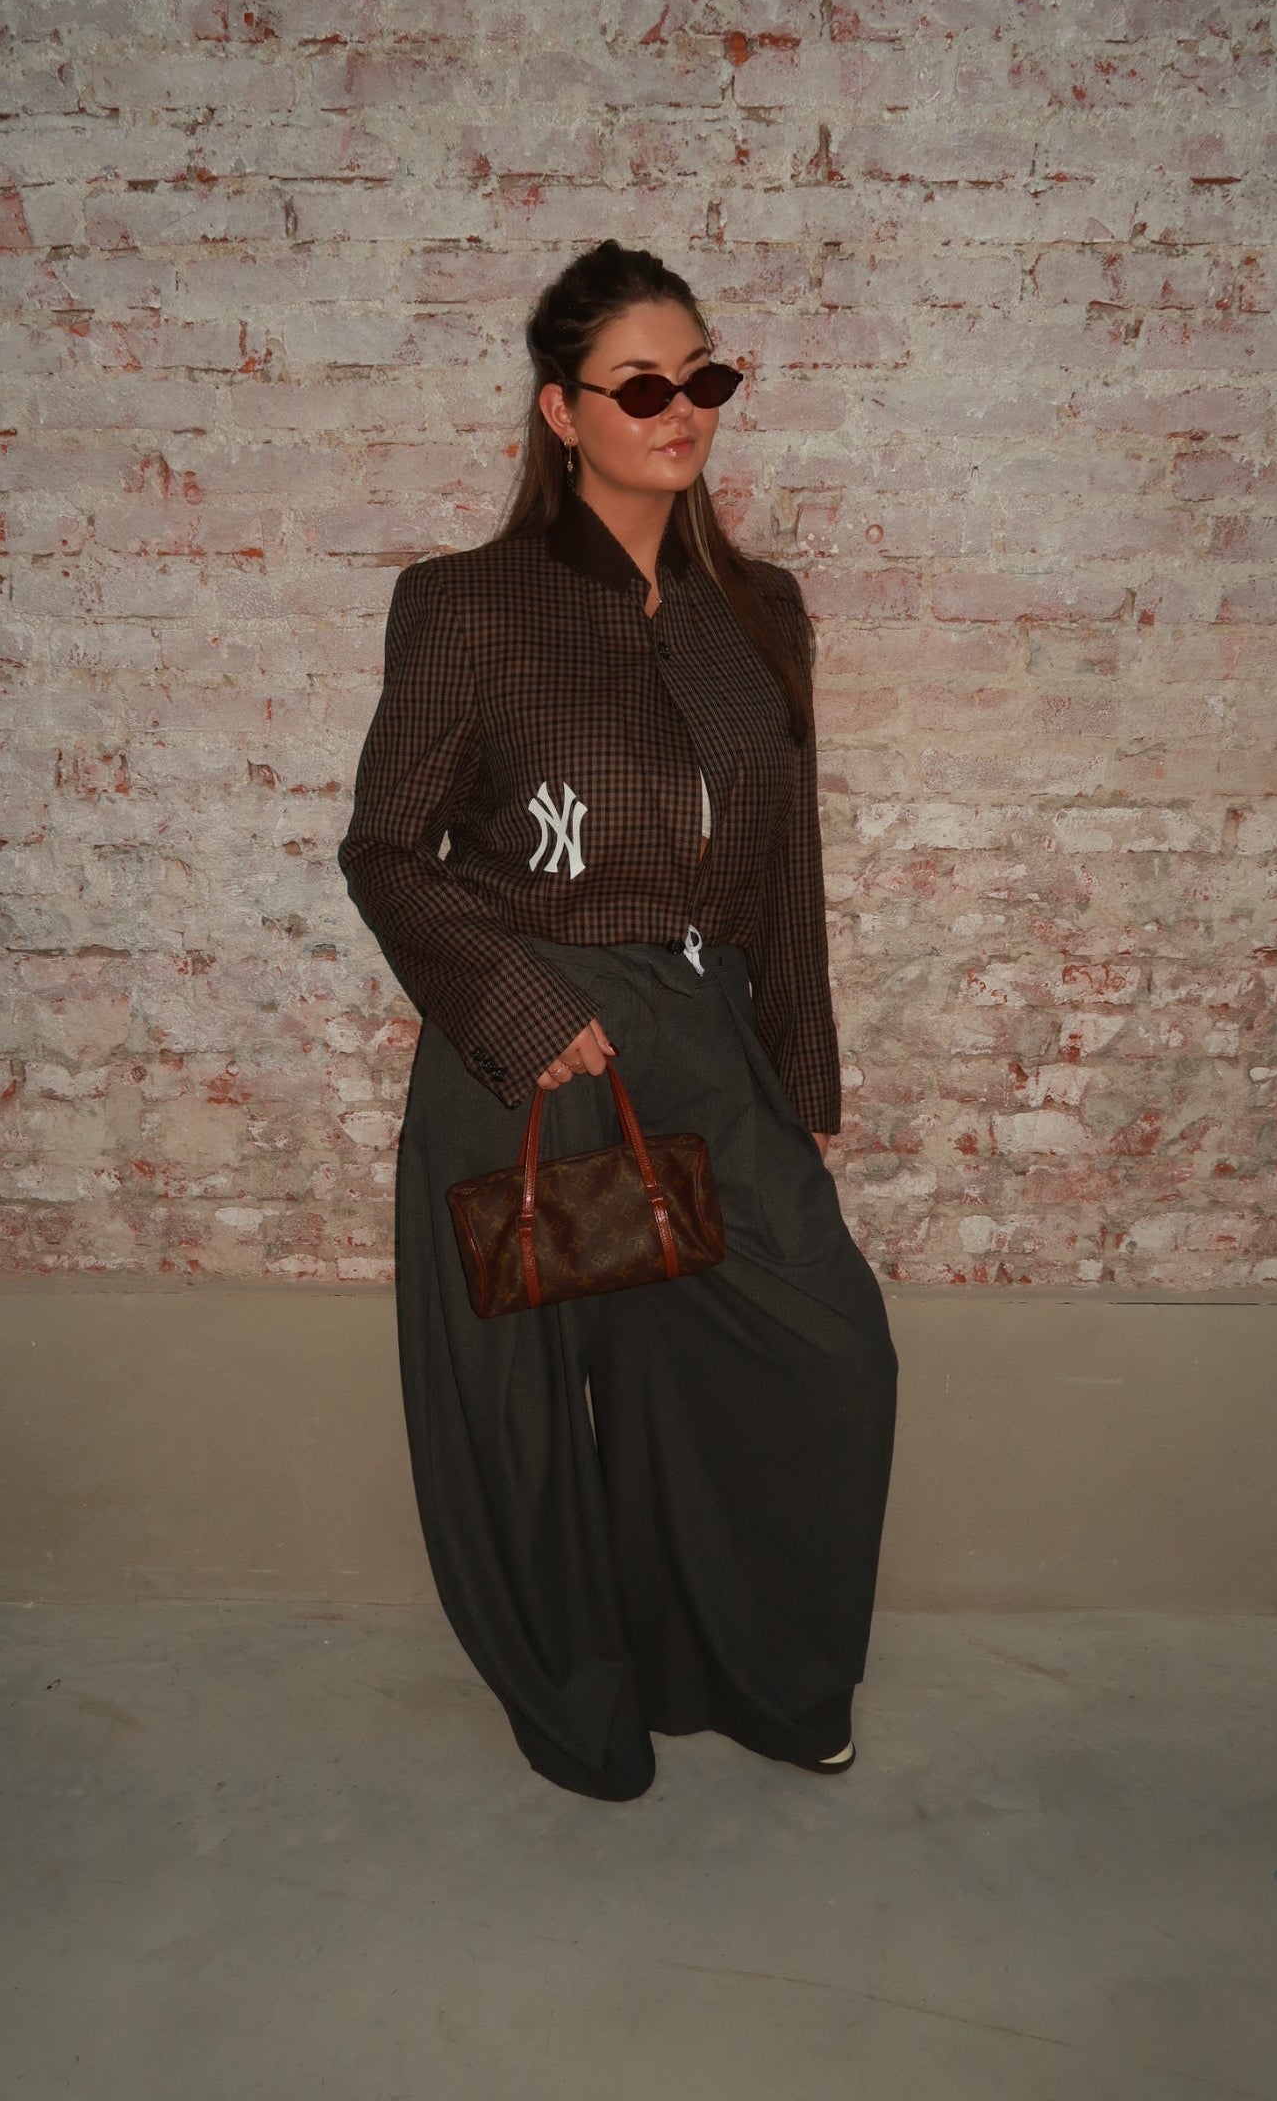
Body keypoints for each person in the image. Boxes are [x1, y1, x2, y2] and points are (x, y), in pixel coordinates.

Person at [338, 240, 899, 1801]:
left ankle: (764, 1674)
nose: (682, 408)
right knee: (538, 1395)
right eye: (642, 385)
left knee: (822, 1350)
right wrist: (522, 1004)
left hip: (701, 1039)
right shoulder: (468, 604)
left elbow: (784, 874)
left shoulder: (760, 610)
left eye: (702, 376)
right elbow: (386, 848)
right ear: (561, 412)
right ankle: (582, 1702)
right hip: (537, 1058)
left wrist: (793, 1084)